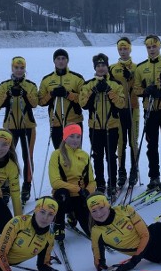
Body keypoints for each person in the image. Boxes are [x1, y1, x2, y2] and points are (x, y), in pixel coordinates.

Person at [80, 53, 126, 199]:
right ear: (95, 67)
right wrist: (94, 92)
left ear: (107, 66)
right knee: (97, 156)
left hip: (111, 126)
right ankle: (100, 183)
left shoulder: (115, 84)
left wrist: (109, 91)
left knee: (111, 156)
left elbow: (121, 103)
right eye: (98, 66)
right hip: (95, 127)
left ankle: (112, 183)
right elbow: (84, 105)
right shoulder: (88, 85)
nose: (101, 68)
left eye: (103, 65)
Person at [0, 56, 38, 204]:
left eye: (21, 68)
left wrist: (24, 93)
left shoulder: (31, 85)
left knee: (28, 158)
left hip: (28, 127)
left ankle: (26, 186)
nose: (19, 70)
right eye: (16, 68)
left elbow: (34, 103)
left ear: (25, 69)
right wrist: (8, 94)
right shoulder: (4, 85)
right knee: (7, 157)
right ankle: (5, 187)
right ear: (12, 68)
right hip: (10, 127)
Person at [133, 34, 161, 191]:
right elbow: (136, 89)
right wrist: (145, 91)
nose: (151, 50)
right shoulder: (141, 68)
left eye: (154, 46)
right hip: (149, 110)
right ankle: (154, 176)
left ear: (159, 46)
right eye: (149, 47)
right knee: (152, 145)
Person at [49, 124, 96, 240]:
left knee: (91, 231)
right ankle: (59, 224)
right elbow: (55, 182)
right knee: (62, 193)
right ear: (65, 137)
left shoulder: (84, 155)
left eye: (78, 137)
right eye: (72, 136)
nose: (75, 140)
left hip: (80, 197)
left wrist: (87, 191)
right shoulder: (57, 155)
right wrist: (78, 189)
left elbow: (92, 181)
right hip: (65, 197)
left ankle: (74, 214)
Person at [38, 49, 85, 148]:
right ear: (54, 61)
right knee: (59, 154)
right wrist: (51, 94)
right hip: (56, 123)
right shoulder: (47, 80)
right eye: (58, 59)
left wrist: (67, 94)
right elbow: (41, 101)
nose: (61, 61)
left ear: (67, 60)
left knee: (75, 153)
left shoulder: (77, 78)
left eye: (63, 58)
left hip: (74, 122)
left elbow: (84, 100)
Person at [110, 37, 140, 190]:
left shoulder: (136, 67)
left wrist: (132, 78)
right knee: (120, 141)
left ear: (130, 49)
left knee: (133, 140)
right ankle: (121, 170)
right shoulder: (112, 68)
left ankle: (134, 169)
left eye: (125, 49)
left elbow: (140, 86)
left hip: (133, 108)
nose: (123, 52)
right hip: (119, 110)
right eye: (120, 49)